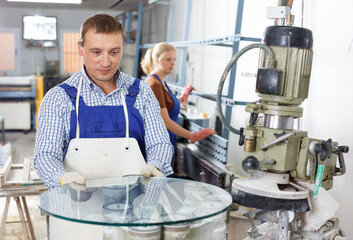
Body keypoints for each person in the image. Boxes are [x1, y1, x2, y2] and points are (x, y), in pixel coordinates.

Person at [34, 13, 174, 189]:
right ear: (80, 48)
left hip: (135, 205)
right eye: (96, 52)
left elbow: (159, 143)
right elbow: (46, 155)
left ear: (123, 48)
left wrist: (155, 166)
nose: (106, 62)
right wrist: (61, 178)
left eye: (114, 52)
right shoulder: (58, 98)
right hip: (75, 206)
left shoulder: (142, 93)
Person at [140, 42, 216, 147]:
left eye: (174, 59)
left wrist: (182, 98)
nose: (172, 63)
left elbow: (166, 103)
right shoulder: (154, 85)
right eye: (168, 59)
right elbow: (164, 121)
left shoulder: (162, 82)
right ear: (157, 59)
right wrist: (192, 136)